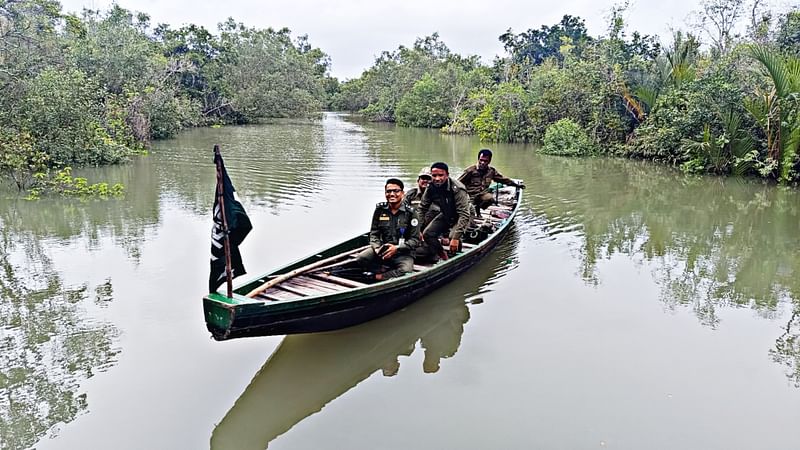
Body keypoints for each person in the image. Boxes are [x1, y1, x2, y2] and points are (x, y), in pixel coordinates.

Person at [355, 178, 420, 281]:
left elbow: (415, 240)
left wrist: (397, 248)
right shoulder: (380, 210)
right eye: (388, 191)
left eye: (396, 191)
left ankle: (379, 277)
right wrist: (377, 248)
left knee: (406, 270)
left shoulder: (411, 213)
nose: (392, 194)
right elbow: (374, 233)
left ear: (402, 193)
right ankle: (379, 268)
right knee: (361, 258)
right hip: (382, 250)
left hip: (403, 253)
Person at [418, 162, 472, 261]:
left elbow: (464, 214)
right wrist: (418, 228)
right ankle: (443, 255)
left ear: (447, 175)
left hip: (464, 214)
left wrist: (455, 239)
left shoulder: (457, 188)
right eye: (434, 175)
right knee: (428, 234)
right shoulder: (431, 187)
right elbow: (422, 208)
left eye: (441, 175)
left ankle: (457, 257)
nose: (437, 178)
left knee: (453, 236)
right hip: (447, 213)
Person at [457, 148, 524, 217]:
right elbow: (457, 183)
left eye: (485, 161)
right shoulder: (470, 171)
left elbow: (503, 179)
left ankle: (478, 208)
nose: (482, 163)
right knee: (468, 216)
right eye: (481, 160)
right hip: (469, 196)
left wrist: (517, 185)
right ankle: (473, 211)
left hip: (481, 195)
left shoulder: (491, 171)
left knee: (489, 199)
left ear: (489, 161)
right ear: (478, 159)